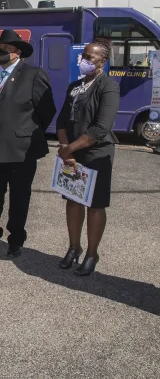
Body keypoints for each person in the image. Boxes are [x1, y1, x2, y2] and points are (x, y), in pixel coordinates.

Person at [0, 30, 56, 258]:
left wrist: (24, 130)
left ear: (17, 52)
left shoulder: (33, 75)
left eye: (5, 49)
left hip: (21, 150)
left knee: (19, 198)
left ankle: (16, 240)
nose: (0, 52)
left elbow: (46, 110)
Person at [56, 38, 120, 276]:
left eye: (90, 57)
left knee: (94, 205)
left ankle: (92, 253)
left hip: (96, 152)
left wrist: (69, 148)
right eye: (83, 55)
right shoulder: (74, 86)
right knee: (73, 201)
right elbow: (62, 120)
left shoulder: (108, 86)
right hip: (72, 152)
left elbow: (100, 128)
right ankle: (74, 248)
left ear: (102, 62)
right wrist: (65, 147)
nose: (83, 59)